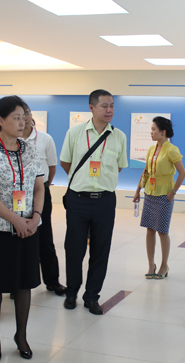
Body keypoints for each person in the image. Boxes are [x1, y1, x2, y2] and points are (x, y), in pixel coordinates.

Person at [0, 95, 44, 362]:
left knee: (24, 283)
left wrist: (35, 217)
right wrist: (14, 219)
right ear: (0, 121)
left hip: (28, 228)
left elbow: (39, 188)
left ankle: (21, 335)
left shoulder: (30, 149)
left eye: (24, 117)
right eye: (16, 117)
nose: (22, 122)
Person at [60, 89, 128, 314]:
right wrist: (84, 181)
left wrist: (100, 183)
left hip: (105, 201)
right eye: (104, 106)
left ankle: (91, 296)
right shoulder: (75, 133)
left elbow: (118, 167)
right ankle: (71, 292)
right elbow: (66, 163)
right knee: (74, 249)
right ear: (91, 108)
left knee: (100, 250)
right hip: (78, 199)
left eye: (112, 106)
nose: (109, 110)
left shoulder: (119, 136)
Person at [21, 102, 66, 296]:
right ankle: (20, 282)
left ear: (31, 116)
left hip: (41, 192)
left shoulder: (45, 139)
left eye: (26, 113)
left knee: (44, 236)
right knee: (19, 236)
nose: (23, 118)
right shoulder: (9, 139)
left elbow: (52, 167)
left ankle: (52, 281)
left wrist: (44, 187)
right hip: (18, 195)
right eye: (18, 115)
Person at [133, 117, 185, 279]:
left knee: (162, 231)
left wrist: (173, 192)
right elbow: (146, 172)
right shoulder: (151, 149)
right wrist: (138, 190)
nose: (151, 132)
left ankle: (164, 265)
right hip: (150, 193)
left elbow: (182, 173)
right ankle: (151, 264)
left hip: (164, 195)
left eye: (153, 129)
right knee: (150, 230)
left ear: (163, 132)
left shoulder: (172, 149)